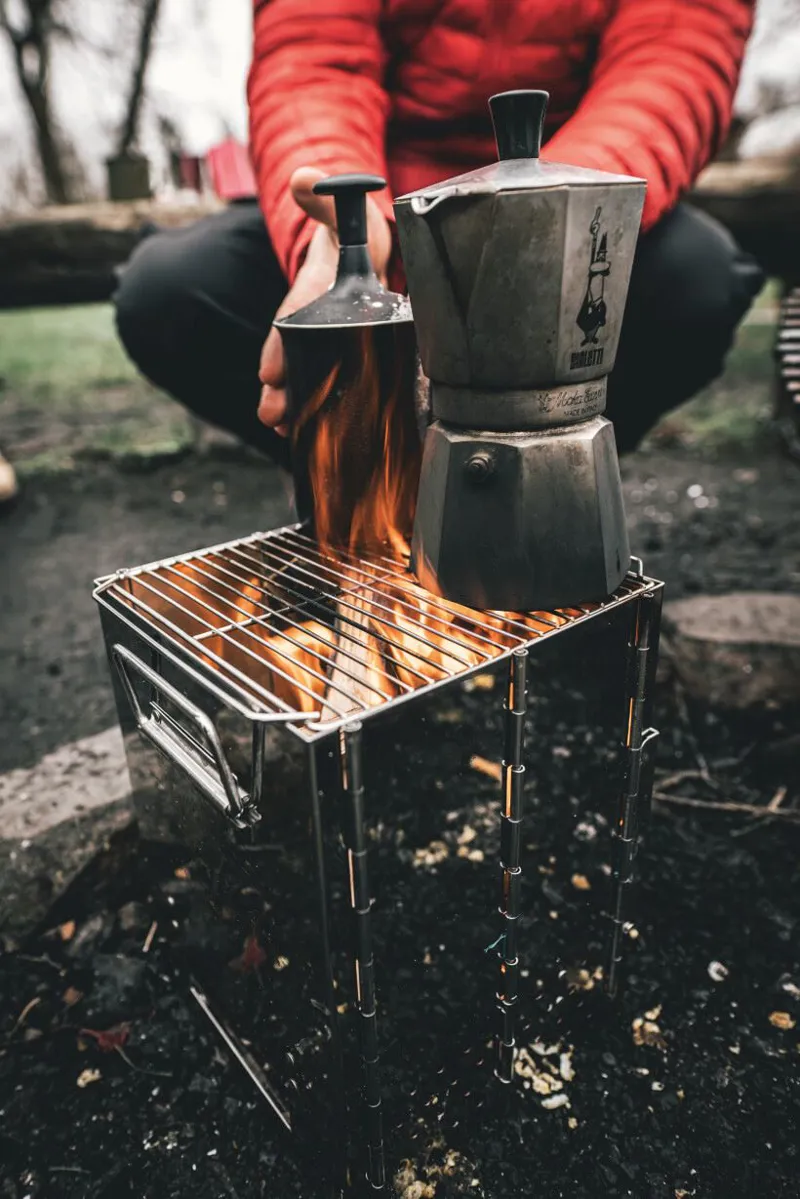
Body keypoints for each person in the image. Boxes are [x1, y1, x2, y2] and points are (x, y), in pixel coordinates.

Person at [115, 0, 764, 462]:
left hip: (567, 207)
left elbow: (670, 69)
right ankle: (364, 474)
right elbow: (315, 59)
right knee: (172, 289)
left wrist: (536, 232)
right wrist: (352, 239)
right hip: (384, 200)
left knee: (695, 278)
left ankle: (555, 468)